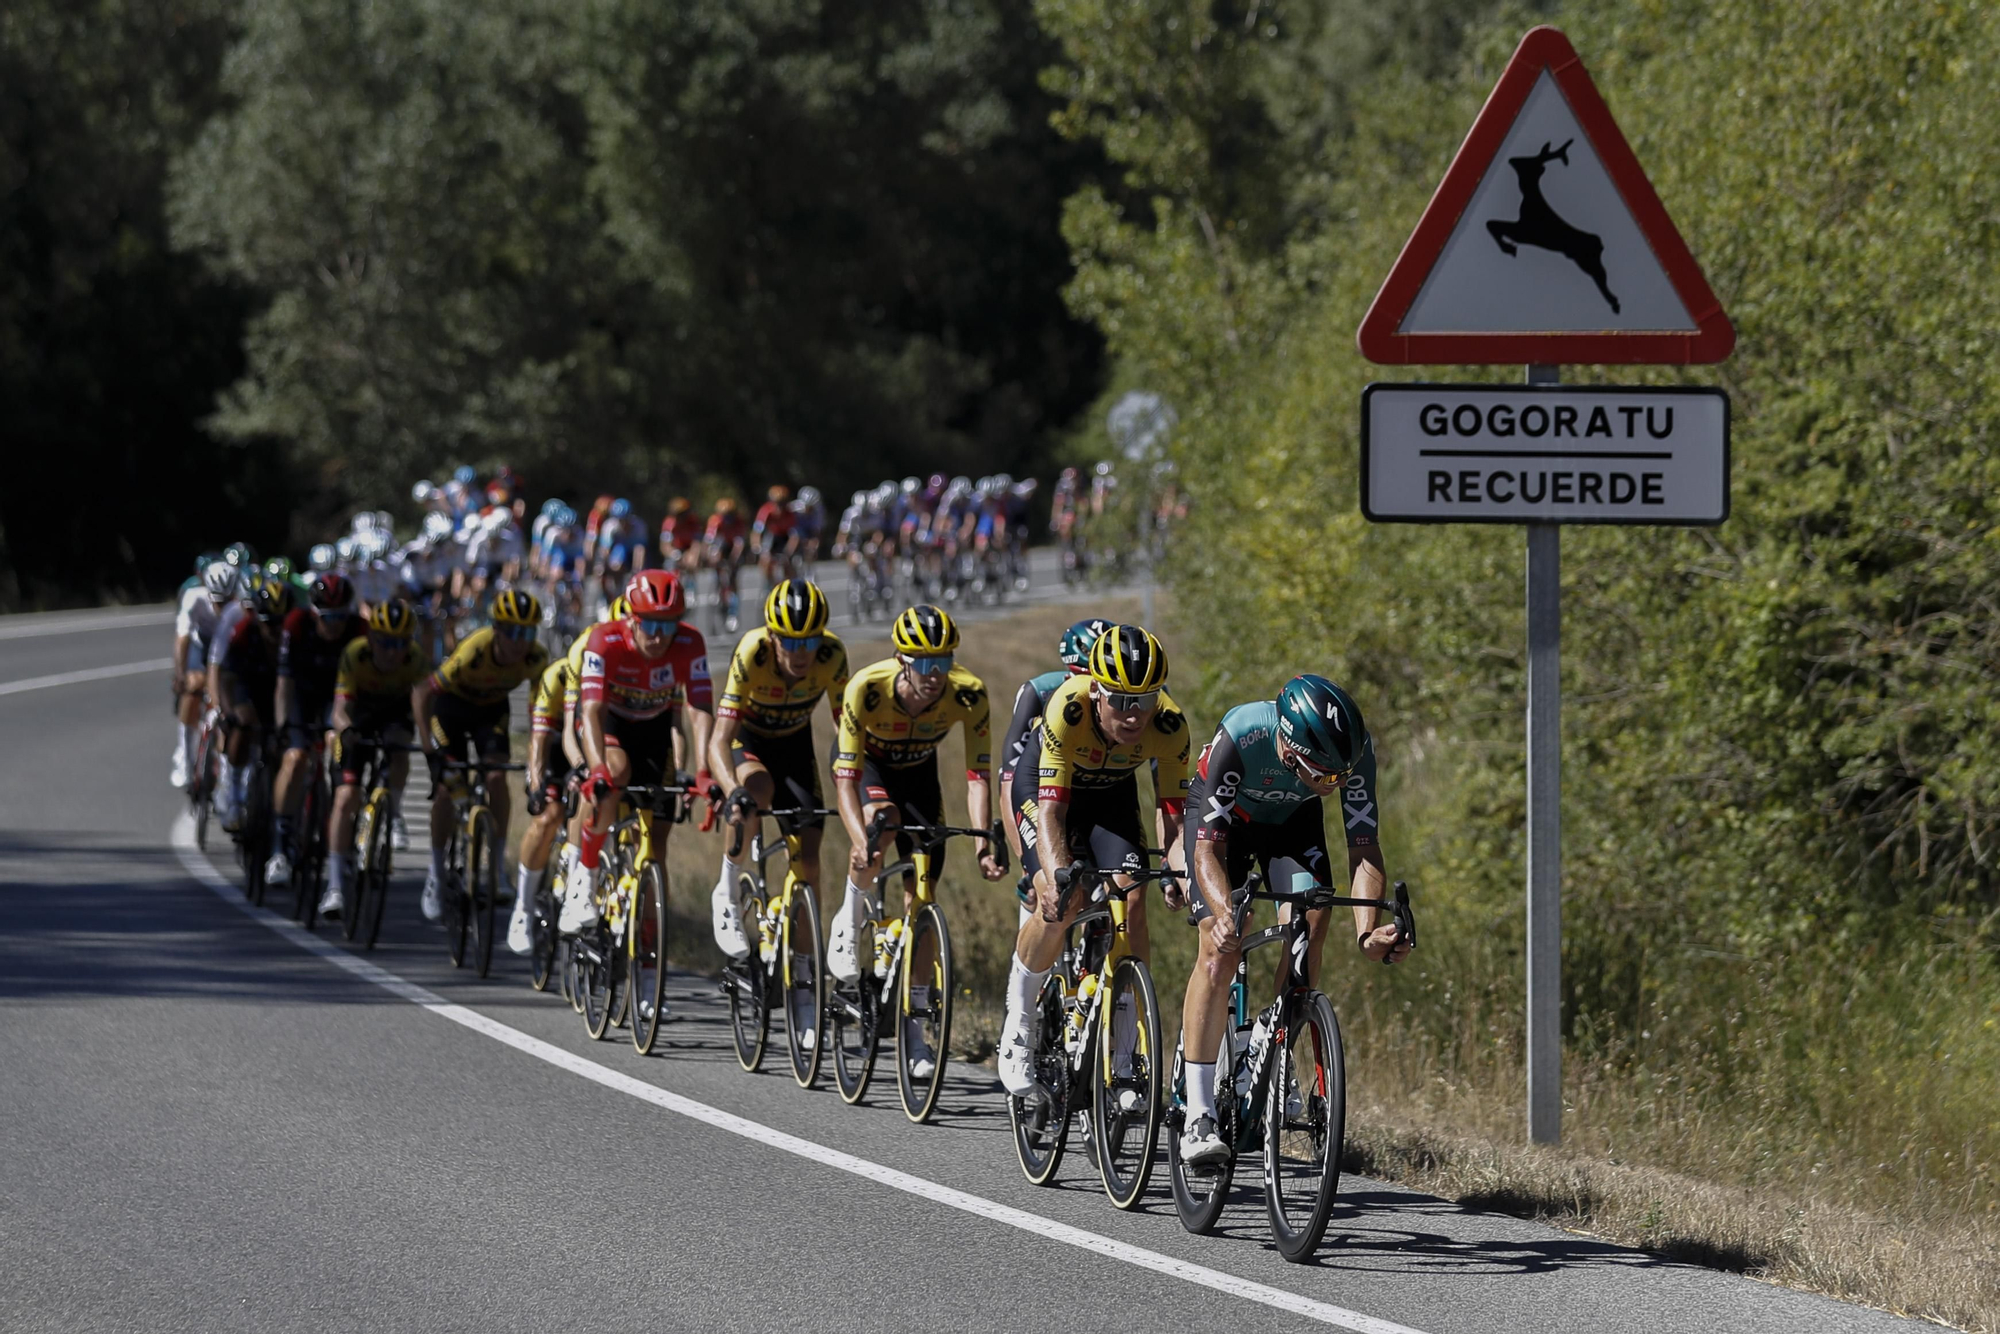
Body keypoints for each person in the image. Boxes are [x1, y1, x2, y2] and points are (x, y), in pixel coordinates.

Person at [1174, 675, 1411, 1164]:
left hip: (1289, 825)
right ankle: (1198, 1113)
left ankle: (1273, 1043)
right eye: (1324, 776)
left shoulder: (1350, 755)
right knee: (1220, 949)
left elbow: (1364, 847)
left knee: (1315, 916)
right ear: (1288, 748)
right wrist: (1222, 916)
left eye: (1341, 776)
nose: (1336, 786)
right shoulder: (1243, 734)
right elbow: (1206, 850)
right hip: (1223, 829)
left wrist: (1367, 933)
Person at [996, 624, 1191, 1098]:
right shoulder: (1067, 708)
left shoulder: (1170, 726)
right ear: (1097, 691)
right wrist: (1056, 873)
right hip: (1049, 794)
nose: (1134, 715)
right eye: (1122, 701)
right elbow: (1051, 811)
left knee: (1134, 894)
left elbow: (1175, 816)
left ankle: (1124, 1052)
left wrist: (1177, 871)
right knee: (1061, 902)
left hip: (1111, 798)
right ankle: (1018, 1025)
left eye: (1145, 700)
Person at [829, 605, 1004, 1079]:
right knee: (881, 824)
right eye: (924, 663)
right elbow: (844, 781)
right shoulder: (867, 688)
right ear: (902, 661)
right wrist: (857, 838)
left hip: (920, 776)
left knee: (922, 901)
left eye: (943, 662)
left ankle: (913, 1032)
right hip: (871, 767)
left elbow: (976, 776)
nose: (935, 674)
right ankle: (850, 916)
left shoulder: (968, 694)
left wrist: (983, 842)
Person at [561, 572, 716, 964]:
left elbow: (699, 712)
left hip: (654, 730)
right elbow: (591, 711)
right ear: (631, 618)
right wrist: (595, 770)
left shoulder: (689, 642)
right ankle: (587, 873)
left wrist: (702, 771)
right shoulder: (604, 640)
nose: (660, 635)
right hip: (609, 725)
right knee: (615, 773)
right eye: (650, 624)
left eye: (669, 624)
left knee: (656, 845)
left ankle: (647, 959)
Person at [707, 580, 849, 987]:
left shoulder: (832, 654)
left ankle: (805, 972)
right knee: (757, 791)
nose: (800, 652)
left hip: (794, 746)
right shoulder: (752, 651)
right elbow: (719, 738)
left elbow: (847, 731)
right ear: (772, 636)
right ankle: (728, 889)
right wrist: (731, 788)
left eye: (809, 641)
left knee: (809, 856)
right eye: (789, 640)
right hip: (746, 741)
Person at [412, 590, 549, 922]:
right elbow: (422, 693)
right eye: (514, 632)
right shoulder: (475, 649)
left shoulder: (536, 658)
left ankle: (497, 868)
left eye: (528, 633)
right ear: (498, 630)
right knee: (446, 790)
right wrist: (430, 750)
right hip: (451, 710)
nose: (521, 642)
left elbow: (539, 716)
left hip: (491, 712)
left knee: (497, 777)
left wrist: (538, 762)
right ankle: (435, 873)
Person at [320, 600, 429, 918]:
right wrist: (347, 730)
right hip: (359, 716)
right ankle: (335, 885)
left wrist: (431, 745)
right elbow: (339, 710)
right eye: (384, 642)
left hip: (394, 715)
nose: (392, 651)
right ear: (372, 638)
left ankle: (392, 812)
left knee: (399, 747)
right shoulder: (355, 654)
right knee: (345, 797)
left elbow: (424, 709)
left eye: (400, 643)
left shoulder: (417, 661)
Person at [262, 573, 362, 885]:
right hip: (301, 696)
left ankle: (341, 843)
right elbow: (284, 683)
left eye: (340, 617)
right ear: (315, 614)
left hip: (338, 697)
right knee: (294, 759)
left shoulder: (359, 630)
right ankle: (279, 848)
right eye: (327, 618)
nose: (334, 626)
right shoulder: (296, 624)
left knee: (338, 750)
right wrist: (282, 725)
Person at [995, 618, 1108, 885]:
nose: (1090, 693)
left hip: (1092, 795)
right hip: (1042, 786)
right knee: (1044, 886)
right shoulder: (1039, 692)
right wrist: (1026, 861)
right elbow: (1009, 783)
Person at [210, 577, 294, 832]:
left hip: (283, 691)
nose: (275, 630)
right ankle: (234, 793)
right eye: (269, 623)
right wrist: (226, 711)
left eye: (282, 623)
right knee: (243, 722)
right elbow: (226, 676)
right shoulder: (244, 632)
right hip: (249, 687)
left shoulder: (296, 636)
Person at [171, 560, 240, 788]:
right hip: (202, 647)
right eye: (217, 600)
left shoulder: (240, 603)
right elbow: (182, 639)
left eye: (226, 601)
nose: (221, 606)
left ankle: (226, 768)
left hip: (229, 650)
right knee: (192, 688)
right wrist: (180, 675)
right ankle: (184, 756)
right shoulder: (194, 597)